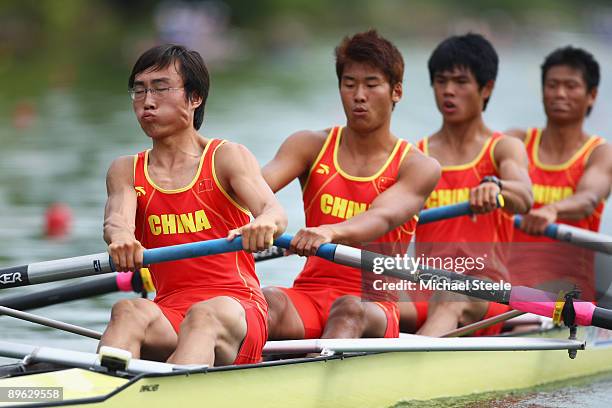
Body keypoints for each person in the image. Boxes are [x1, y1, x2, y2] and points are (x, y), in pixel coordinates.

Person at [99, 44, 287, 366]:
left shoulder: (226, 157)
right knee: (127, 310)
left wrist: (265, 225)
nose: (147, 101)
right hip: (170, 313)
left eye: (160, 88)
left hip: (237, 310)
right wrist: (120, 239)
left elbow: (274, 212)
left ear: (195, 97)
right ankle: (99, 391)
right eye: (139, 91)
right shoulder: (125, 170)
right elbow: (118, 220)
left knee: (203, 315)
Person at [262, 30, 440, 342]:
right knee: (266, 300)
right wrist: (259, 220)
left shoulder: (417, 166)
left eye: (371, 85)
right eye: (349, 84)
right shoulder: (308, 145)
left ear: (396, 91)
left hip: (373, 304)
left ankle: (319, 379)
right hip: (309, 294)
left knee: (347, 309)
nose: (359, 95)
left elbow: (381, 218)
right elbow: (255, 189)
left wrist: (330, 231)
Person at [399, 33, 533, 336]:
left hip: (484, 291)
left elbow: (524, 196)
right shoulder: (414, 156)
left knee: (452, 296)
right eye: (441, 81)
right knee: (358, 301)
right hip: (425, 286)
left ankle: (403, 373)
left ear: (486, 88)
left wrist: (498, 189)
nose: (448, 91)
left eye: (460, 82)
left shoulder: (503, 149)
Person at [507, 46, 612, 302]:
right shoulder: (516, 141)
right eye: (552, 85)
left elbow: (587, 199)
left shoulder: (600, 153)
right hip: (506, 277)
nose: (560, 94)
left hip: (568, 286)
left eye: (571, 86)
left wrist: (553, 211)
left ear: (592, 95)